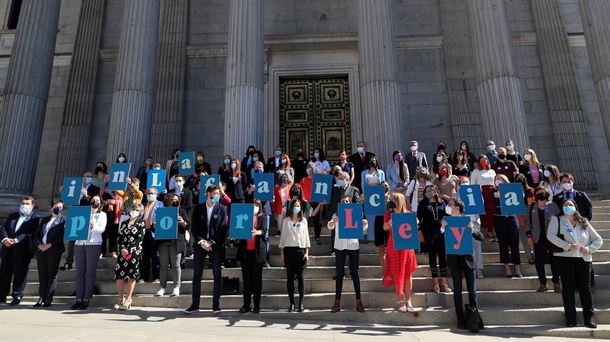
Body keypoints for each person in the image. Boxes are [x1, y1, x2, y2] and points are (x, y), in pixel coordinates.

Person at [547, 199, 603, 328]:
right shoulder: (557, 220)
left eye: (570, 205)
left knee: (585, 289)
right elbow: (551, 236)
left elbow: (598, 240)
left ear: (575, 207)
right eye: (565, 205)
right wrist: (567, 246)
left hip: (583, 259)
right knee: (568, 289)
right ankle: (571, 319)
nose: (568, 207)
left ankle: (589, 319)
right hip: (566, 259)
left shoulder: (583, 221)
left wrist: (589, 249)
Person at [185, 185, 228, 314]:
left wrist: (211, 242)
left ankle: (216, 305)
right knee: (197, 275)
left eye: (218, 194)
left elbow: (223, 228)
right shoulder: (198, 208)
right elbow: (194, 228)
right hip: (200, 245)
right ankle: (195, 304)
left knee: (217, 275)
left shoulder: (222, 209)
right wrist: (201, 241)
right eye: (214, 193)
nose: (216, 196)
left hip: (215, 246)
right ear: (208, 194)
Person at [443, 199, 485, 329]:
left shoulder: (468, 220)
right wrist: (442, 227)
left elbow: (481, 237)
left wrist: (472, 230)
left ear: (458, 208)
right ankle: (460, 318)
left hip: (468, 259)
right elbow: (436, 236)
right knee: (457, 291)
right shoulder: (446, 221)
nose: (451, 208)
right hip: (455, 260)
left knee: (472, 291)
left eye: (453, 206)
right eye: (450, 206)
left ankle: (474, 318)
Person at [327, 195, 367, 313]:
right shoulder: (337, 215)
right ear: (340, 203)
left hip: (353, 245)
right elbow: (329, 226)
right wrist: (333, 221)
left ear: (350, 203)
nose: (345, 202)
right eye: (343, 201)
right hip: (340, 246)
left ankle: (359, 301)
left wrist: (364, 223)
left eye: (347, 201)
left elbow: (364, 227)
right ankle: (337, 302)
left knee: (355, 272)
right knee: (339, 274)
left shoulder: (356, 213)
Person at [0, 196, 40, 305]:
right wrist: (4, 239)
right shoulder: (13, 216)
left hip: (22, 250)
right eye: (23, 203)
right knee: (4, 273)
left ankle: (17, 296)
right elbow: (4, 228)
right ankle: (2, 295)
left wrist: (16, 240)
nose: (24, 205)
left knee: (20, 274)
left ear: (32, 206)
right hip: (7, 249)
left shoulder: (35, 219)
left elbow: (29, 232)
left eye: (27, 204)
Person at [382, 192, 418, 312]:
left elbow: (416, 224)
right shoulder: (388, 214)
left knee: (408, 274)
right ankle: (401, 299)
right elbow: (385, 228)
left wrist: (415, 221)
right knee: (397, 272)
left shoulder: (408, 213)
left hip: (407, 246)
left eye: (393, 199)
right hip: (394, 245)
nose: (390, 201)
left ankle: (409, 300)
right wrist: (392, 222)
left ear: (399, 201)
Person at [72, 195, 106, 310]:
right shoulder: (82, 213)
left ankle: (86, 298)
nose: (95, 202)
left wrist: (93, 226)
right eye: (93, 200)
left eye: (97, 200)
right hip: (80, 244)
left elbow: (101, 229)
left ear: (100, 203)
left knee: (90, 273)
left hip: (93, 244)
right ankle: (78, 298)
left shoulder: (102, 215)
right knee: (79, 273)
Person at [525, 186, 561, 293]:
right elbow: (528, 222)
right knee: (539, 261)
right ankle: (542, 283)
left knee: (554, 260)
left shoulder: (553, 206)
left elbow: (559, 219)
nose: (541, 197)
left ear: (547, 195)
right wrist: (528, 236)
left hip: (552, 237)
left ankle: (556, 282)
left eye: (543, 195)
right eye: (539, 195)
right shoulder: (532, 207)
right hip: (537, 237)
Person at [418, 185, 452, 293]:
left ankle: (444, 283)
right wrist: (420, 232)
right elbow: (418, 219)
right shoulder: (422, 204)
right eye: (427, 191)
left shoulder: (442, 203)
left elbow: (450, 214)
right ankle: (436, 283)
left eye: (431, 191)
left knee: (442, 257)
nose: (429, 193)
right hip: (428, 234)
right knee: (432, 257)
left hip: (441, 233)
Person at [32, 200, 65, 308]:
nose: (58, 209)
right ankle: (41, 297)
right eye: (56, 207)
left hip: (54, 250)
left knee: (52, 274)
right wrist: (39, 245)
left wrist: (50, 245)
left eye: (60, 207)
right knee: (42, 274)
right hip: (41, 250)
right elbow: (36, 234)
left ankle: (48, 298)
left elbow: (61, 237)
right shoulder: (44, 219)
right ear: (51, 208)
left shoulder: (63, 220)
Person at [155, 193, 190, 298]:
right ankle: (162, 287)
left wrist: (183, 222)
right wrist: (154, 224)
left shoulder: (181, 212)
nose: (175, 202)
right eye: (173, 200)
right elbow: (155, 228)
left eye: (177, 200)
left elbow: (188, 225)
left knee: (176, 264)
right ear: (167, 201)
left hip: (177, 241)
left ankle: (176, 287)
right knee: (163, 265)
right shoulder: (161, 211)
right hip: (163, 241)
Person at [236, 200, 267, 313]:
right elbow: (238, 229)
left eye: (256, 205)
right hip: (245, 253)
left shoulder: (262, 218)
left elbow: (264, 231)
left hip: (257, 253)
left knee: (257, 280)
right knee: (247, 280)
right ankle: (246, 305)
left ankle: (257, 306)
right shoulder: (244, 216)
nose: (255, 207)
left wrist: (257, 232)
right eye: (253, 205)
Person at [279, 199, 310, 312]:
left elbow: (306, 237)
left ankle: (300, 303)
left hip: (300, 250)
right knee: (290, 278)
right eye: (295, 205)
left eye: (298, 206)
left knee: (300, 277)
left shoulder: (304, 221)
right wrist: (282, 254)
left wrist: (307, 253)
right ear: (291, 207)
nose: (296, 207)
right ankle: (291, 303)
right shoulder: (286, 221)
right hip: (288, 251)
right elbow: (282, 238)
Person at [113, 203, 145, 310]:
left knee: (132, 274)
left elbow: (140, 239)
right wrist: (122, 249)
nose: (134, 211)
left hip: (134, 252)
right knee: (119, 275)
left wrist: (130, 250)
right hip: (123, 253)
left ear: (140, 212)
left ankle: (129, 298)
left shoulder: (141, 223)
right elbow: (119, 238)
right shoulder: (124, 223)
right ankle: (120, 299)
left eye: (136, 209)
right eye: (132, 209)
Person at [493, 175, 522, 278]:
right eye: (496, 179)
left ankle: (517, 267)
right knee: (503, 244)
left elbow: (518, 201)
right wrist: (497, 196)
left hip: (511, 218)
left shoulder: (513, 190)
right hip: (499, 219)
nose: (498, 181)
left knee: (514, 242)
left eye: (500, 179)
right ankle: (507, 267)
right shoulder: (494, 192)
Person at [456, 177, 485, 279]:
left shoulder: (475, 192)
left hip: (474, 222)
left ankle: (478, 269)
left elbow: (481, 205)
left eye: (466, 182)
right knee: (466, 248)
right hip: (463, 223)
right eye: (462, 182)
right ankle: (468, 269)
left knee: (477, 247)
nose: (464, 184)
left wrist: (478, 193)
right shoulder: (456, 195)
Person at [471, 155, 497, 241]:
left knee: (492, 213)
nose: (484, 161)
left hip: (492, 194)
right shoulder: (476, 171)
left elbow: (495, 182)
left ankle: (494, 233)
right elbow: (473, 184)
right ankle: (485, 234)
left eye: (485, 159)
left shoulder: (492, 171)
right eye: (482, 160)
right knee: (484, 214)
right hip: (482, 194)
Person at [141, 188, 163, 283]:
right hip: (143, 232)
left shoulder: (161, 205)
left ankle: (156, 277)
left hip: (154, 232)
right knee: (144, 256)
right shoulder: (143, 205)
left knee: (155, 256)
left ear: (156, 195)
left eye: (152, 193)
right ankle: (143, 277)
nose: (150, 195)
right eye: (148, 193)